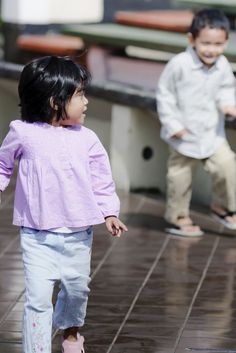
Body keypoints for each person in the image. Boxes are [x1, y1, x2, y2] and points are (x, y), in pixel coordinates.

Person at [0, 56, 128, 353]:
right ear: (54, 101)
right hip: (36, 235)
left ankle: (70, 334)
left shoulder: (88, 139)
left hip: (77, 235)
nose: (85, 102)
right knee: (37, 299)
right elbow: (3, 165)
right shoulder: (23, 133)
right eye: (79, 94)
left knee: (76, 290)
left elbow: (101, 179)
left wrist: (109, 211)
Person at [156, 8, 236, 237]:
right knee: (179, 177)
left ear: (226, 42)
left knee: (227, 165)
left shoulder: (222, 66)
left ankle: (222, 206)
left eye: (218, 44)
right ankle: (178, 217)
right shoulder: (179, 64)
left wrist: (228, 105)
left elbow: (226, 88)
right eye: (206, 43)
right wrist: (173, 125)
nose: (212, 50)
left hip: (212, 132)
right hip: (183, 134)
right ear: (192, 39)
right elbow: (165, 95)